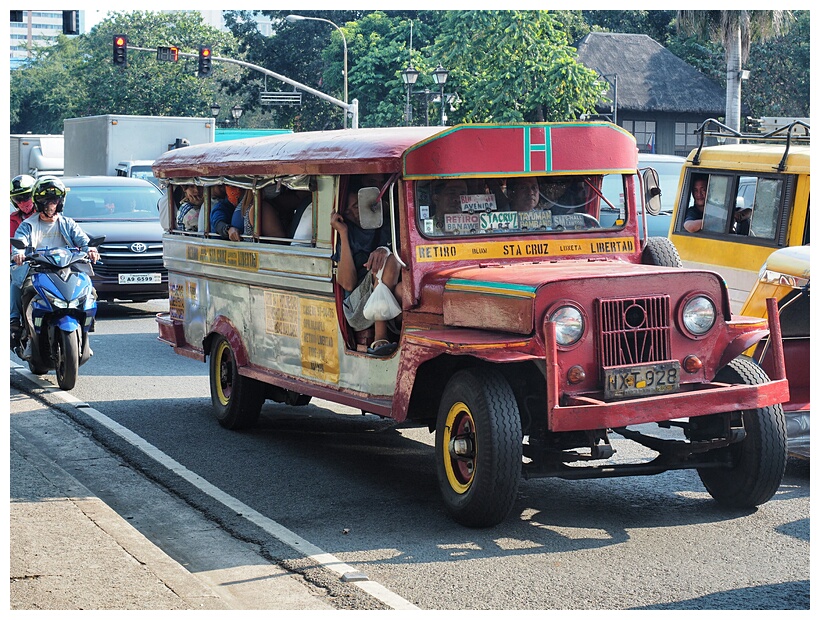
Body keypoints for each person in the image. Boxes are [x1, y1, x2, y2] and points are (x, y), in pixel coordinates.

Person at [10, 176, 99, 347]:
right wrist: (19, 253)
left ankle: (86, 327)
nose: (51, 206)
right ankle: (18, 325)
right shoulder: (28, 225)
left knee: (90, 290)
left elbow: (83, 240)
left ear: (60, 203)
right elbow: (19, 242)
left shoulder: (68, 223)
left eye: (54, 201)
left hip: (65, 269)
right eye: (47, 202)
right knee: (20, 287)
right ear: (39, 203)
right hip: (37, 270)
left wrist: (91, 249)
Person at [330, 175, 402, 357]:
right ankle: (380, 336)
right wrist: (344, 235)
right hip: (358, 308)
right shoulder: (346, 233)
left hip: (387, 291)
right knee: (389, 261)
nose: (352, 213)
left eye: (356, 207)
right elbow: (347, 284)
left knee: (401, 288)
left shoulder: (386, 222)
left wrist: (384, 250)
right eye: (347, 211)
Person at [10, 174, 37, 239]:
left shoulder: (47, 217)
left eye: (26, 197)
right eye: (17, 199)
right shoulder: (12, 220)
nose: (22, 203)